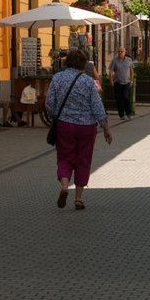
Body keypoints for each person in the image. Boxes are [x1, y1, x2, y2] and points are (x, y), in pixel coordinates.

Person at [46, 48, 112, 210]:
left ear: (67, 62)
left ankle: (63, 186)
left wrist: (58, 114)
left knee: (64, 157)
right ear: (83, 64)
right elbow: (97, 106)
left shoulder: (57, 78)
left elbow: (49, 103)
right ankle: (79, 198)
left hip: (64, 125)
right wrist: (105, 127)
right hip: (86, 127)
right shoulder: (88, 81)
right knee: (83, 159)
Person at [108, 46, 135, 120]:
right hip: (117, 82)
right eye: (119, 51)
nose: (120, 53)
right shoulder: (115, 60)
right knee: (119, 99)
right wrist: (111, 80)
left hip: (126, 82)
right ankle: (121, 115)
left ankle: (129, 113)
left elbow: (132, 71)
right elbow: (111, 71)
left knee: (126, 98)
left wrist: (132, 80)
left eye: (122, 51)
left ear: (125, 52)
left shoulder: (129, 60)